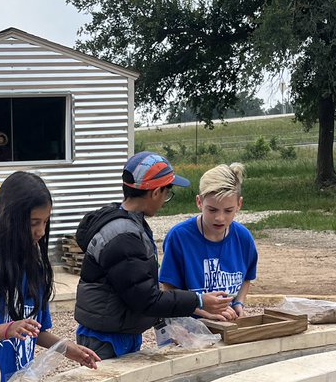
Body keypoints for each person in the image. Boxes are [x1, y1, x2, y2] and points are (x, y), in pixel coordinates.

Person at [74, 152, 233, 359]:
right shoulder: (124, 237)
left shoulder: (129, 222)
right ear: (156, 192)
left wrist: (172, 321)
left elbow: (138, 287)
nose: (164, 201)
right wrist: (199, 300)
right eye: (167, 194)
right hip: (106, 337)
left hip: (117, 328)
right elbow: (145, 299)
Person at [0, 171, 99, 382]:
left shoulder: (35, 271)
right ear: (8, 220)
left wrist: (67, 349)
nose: (40, 231)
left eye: (45, 222)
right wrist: (8, 329)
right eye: (33, 223)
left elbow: (35, 332)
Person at [159, 163, 257, 319]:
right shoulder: (179, 237)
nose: (220, 218)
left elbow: (247, 277)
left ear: (239, 204)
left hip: (226, 323)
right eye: (212, 210)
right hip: (189, 328)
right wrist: (202, 311)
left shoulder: (243, 238)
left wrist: (239, 302)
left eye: (228, 210)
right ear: (199, 202)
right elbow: (169, 291)